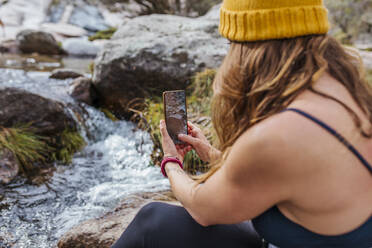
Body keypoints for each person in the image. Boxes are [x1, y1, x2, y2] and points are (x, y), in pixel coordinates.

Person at [112, 0, 372, 247]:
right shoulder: (348, 91)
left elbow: (202, 207)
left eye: (231, 43)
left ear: (247, 47)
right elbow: (291, 174)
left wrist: (171, 162)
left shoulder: (276, 136)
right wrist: (213, 156)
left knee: (152, 221)